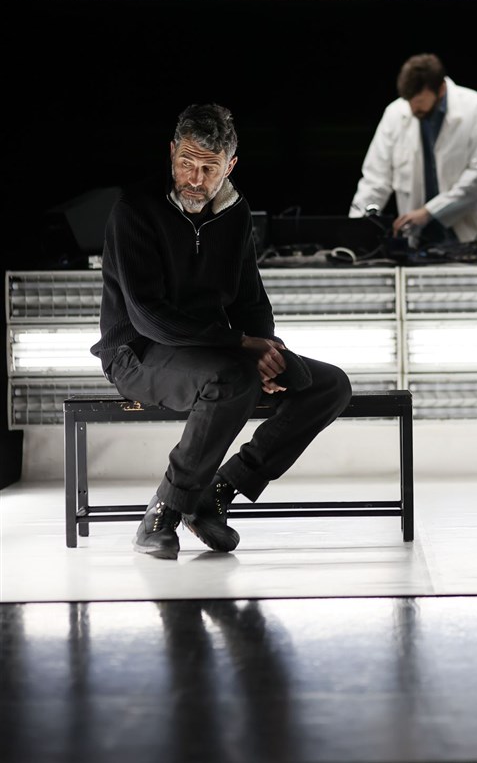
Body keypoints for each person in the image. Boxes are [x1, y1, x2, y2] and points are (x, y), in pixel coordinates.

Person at [90, 103, 352, 560]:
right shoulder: (135, 209)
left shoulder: (235, 212)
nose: (194, 179)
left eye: (208, 168)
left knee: (327, 385)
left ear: (229, 166)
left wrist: (267, 349)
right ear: (172, 152)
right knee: (233, 378)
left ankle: (218, 492)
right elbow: (148, 317)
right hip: (138, 353)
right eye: (185, 163)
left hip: (212, 351)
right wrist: (241, 345)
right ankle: (165, 511)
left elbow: (250, 300)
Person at [349, 53, 477, 247]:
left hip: (472, 231)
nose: (412, 108)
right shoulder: (395, 113)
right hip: (420, 238)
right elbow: (375, 178)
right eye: (408, 100)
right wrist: (355, 230)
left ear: (441, 89)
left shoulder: (476, 108)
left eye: (419, 100)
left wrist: (429, 212)